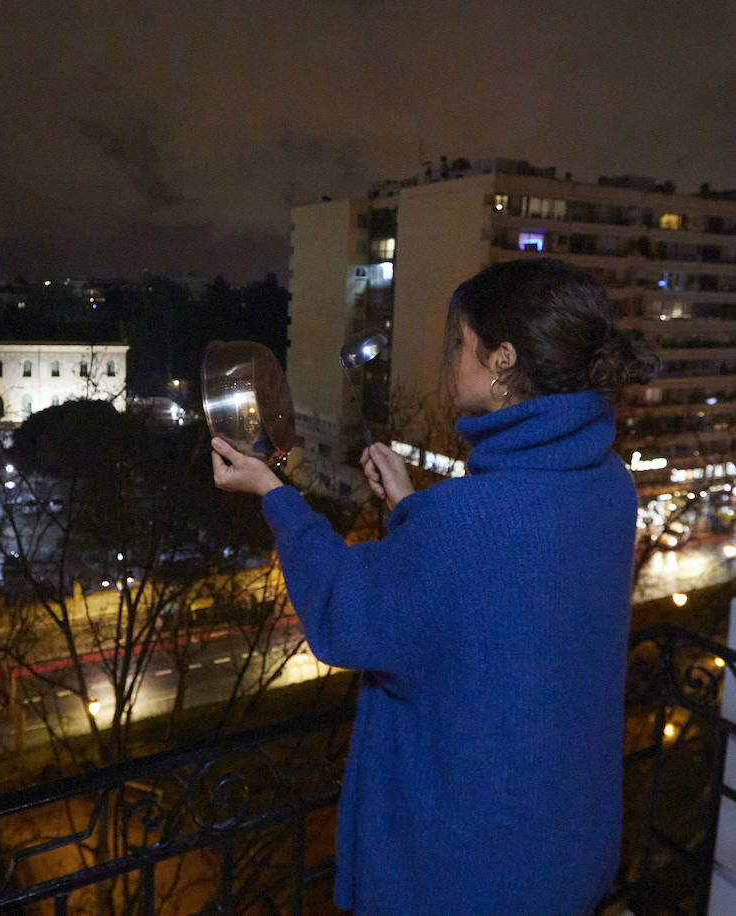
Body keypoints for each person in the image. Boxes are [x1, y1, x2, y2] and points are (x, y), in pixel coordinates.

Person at [212, 258, 656, 914]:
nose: (450, 361)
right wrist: (412, 510)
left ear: (503, 360)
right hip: (563, 846)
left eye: (459, 345)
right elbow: (505, 592)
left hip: (465, 875)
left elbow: (343, 614)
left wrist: (273, 492)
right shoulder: (608, 483)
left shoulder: (464, 525)